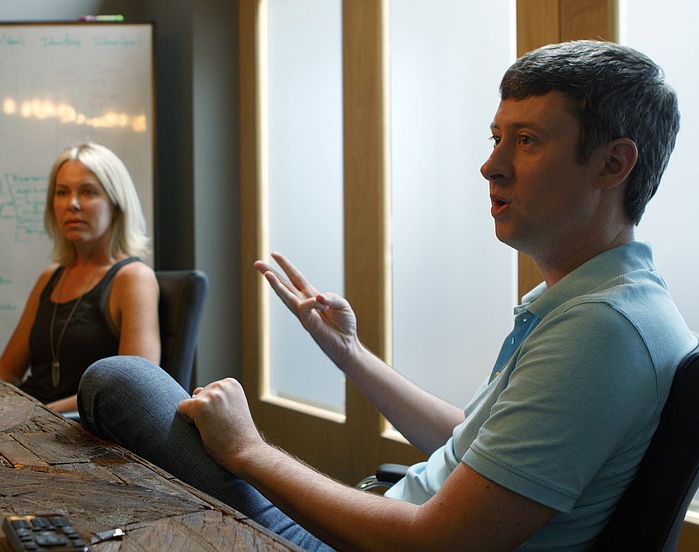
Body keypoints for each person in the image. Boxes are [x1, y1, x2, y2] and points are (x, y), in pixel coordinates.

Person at [77, 40, 697, 550]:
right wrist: (352, 355)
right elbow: (477, 444)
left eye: (528, 140)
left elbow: (434, 542)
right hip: (387, 521)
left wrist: (247, 449)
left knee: (121, 383)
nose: (493, 165)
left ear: (614, 165)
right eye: (496, 136)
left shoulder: (601, 329)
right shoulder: (619, 302)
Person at [0, 142, 160, 412]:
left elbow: (134, 388)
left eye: (88, 192)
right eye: (62, 192)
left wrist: (39, 414)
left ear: (116, 204)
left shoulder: (133, 278)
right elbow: (7, 370)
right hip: (27, 421)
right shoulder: (50, 277)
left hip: (77, 431)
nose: (72, 204)